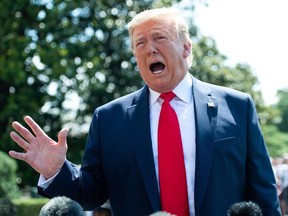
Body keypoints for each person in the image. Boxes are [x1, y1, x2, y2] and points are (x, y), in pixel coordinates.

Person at [7, 7, 281, 216]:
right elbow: (90, 193)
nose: (149, 48)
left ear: (186, 48)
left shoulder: (237, 106)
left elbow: (263, 192)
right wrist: (58, 171)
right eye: (140, 43)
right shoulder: (109, 118)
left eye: (159, 38)